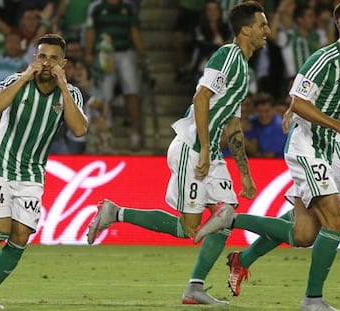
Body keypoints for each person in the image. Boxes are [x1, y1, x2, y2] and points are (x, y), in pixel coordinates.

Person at [87, 1, 270, 305]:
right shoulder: (227, 56)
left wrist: (245, 175)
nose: (268, 31)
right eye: (262, 25)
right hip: (191, 147)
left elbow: (233, 124)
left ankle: (195, 287)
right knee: (188, 229)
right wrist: (203, 151)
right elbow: (200, 98)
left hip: (208, 150)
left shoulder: (243, 69)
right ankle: (115, 212)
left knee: (225, 216)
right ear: (246, 29)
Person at [194, 1, 340, 310]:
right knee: (336, 220)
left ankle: (232, 221)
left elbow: (336, 100)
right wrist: (339, 127)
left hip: (323, 149)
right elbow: (298, 100)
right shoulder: (325, 58)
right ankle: (312, 299)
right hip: (305, 147)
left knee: (302, 234)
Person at [0, 33, 87, 309]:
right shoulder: (17, 81)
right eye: (41, 56)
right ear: (33, 58)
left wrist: (63, 85)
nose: (46, 63)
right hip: (1, 163)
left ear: (63, 62)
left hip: (32, 172)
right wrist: (25, 77)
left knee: (21, 236)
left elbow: (79, 130)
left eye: (53, 58)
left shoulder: (70, 94)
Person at [85, 0, 147, 151]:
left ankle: (135, 132)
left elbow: (134, 30)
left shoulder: (128, 7)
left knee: (132, 92)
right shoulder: (96, 7)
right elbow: (91, 30)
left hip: (126, 52)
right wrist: (88, 52)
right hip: (104, 54)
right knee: (104, 96)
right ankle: (106, 133)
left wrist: (141, 54)